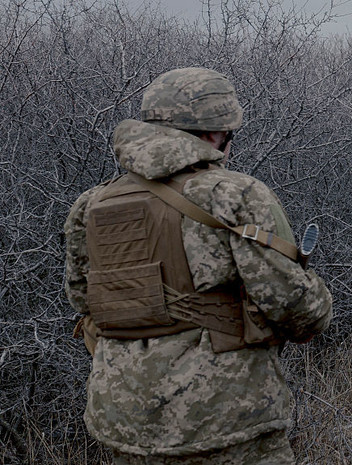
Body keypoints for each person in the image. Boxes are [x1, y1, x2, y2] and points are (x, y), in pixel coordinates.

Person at [64, 67, 333, 463]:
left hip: (121, 420)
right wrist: (319, 304)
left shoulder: (92, 204)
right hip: (225, 418)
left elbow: (83, 300)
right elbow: (294, 306)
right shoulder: (234, 193)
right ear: (214, 134)